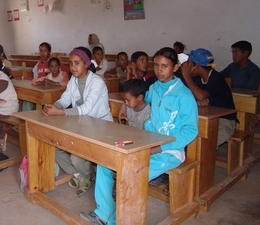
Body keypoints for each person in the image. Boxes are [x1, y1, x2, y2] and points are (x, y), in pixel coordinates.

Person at [80, 47, 198, 225]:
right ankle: (104, 214)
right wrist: (124, 105)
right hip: (147, 143)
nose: (159, 70)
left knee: (132, 173)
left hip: (169, 151)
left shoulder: (184, 95)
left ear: (175, 68)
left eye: (164, 66)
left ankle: (122, 220)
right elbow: (141, 98)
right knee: (105, 162)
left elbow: (191, 130)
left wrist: (159, 148)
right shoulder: (155, 88)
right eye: (156, 65)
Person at [42, 46, 112, 197]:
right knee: (56, 146)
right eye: (71, 63)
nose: (73, 67)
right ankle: (82, 175)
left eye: (77, 63)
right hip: (81, 124)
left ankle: (87, 175)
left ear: (86, 63)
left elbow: (86, 108)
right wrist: (55, 106)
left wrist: (60, 112)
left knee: (75, 156)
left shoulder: (97, 82)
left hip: (100, 125)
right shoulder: (74, 80)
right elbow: (66, 98)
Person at [181, 48, 237, 146]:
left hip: (224, 121)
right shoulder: (197, 79)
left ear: (197, 66)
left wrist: (186, 75)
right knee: (186, 138)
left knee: (205, 146)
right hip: (205, 118)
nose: (187, 68)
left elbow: (201, 96)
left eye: (190, 64)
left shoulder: (217, 78)